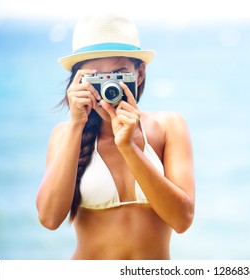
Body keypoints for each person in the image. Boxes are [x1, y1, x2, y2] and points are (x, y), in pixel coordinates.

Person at [36, 14, 195, 260]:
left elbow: (182, 220)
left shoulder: (169, 126)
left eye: (118, 74)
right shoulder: (65, 135)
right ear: (79, 81)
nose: (108, 86)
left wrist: (129, 147)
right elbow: (49, 218)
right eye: (96, 77)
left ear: (139, 73)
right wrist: (77, 125)